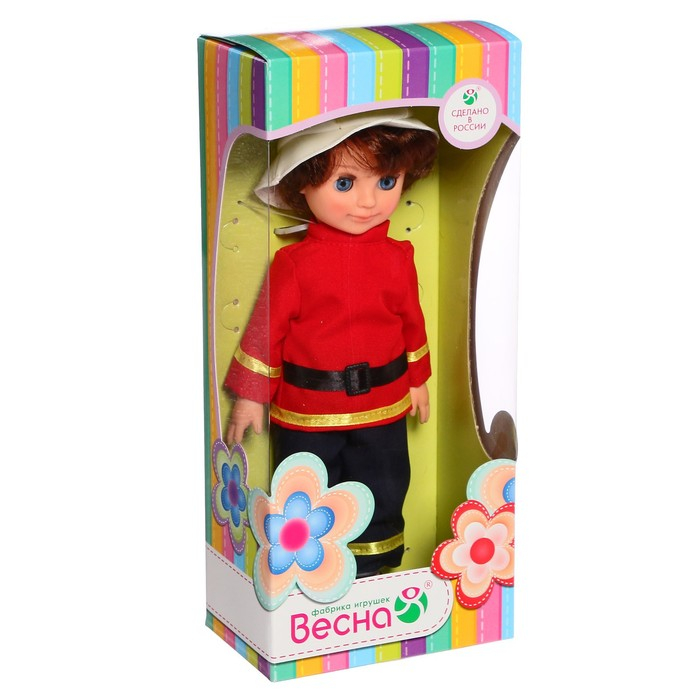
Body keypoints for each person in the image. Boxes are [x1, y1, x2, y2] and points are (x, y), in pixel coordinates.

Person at [224, 109, 438, 575]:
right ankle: (308, 567)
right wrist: (251, 396)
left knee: (384, 483)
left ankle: (375, 568)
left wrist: (417, 380)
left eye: (387, 181)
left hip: (383, 403)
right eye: (345, 183)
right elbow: (267, 330)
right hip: (308, 409)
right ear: (303, 183)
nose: (368, 201)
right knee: (304, 488)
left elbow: (412, 323)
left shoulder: (398, 258)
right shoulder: (294, 264)